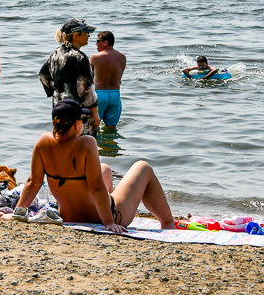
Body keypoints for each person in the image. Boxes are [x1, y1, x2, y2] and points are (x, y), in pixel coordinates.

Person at [14, 99, 174, 233]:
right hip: (102, 217)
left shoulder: (43, 142)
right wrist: (109, 223)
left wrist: (19, 212)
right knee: (143, 167)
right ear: (76, 124)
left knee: (104, 169)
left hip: (69, 216)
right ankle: (168, 223)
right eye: (82, 121)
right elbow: (96, 188)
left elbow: (33, 183)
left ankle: (101, 202)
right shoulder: (86, 143)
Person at [39, 19, 101, 136]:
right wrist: (95, 114)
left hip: (59, 109)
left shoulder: (56, 53)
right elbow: (87, 89)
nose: (88, 35)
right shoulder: (80, 58)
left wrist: (55, 91)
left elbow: (43, 75)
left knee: (62, 144)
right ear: (76, 36)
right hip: (78, 114)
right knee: (82, 147)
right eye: (86, 32)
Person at [90, 30, 126, 128]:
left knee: (93, 128)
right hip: (115, 95)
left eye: (98, 41)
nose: (96, 44)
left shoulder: (95, 57)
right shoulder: (122, 57)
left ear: (105, 42)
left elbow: (88, 77)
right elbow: (120, 78)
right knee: (111, 129)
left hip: (99, 95)